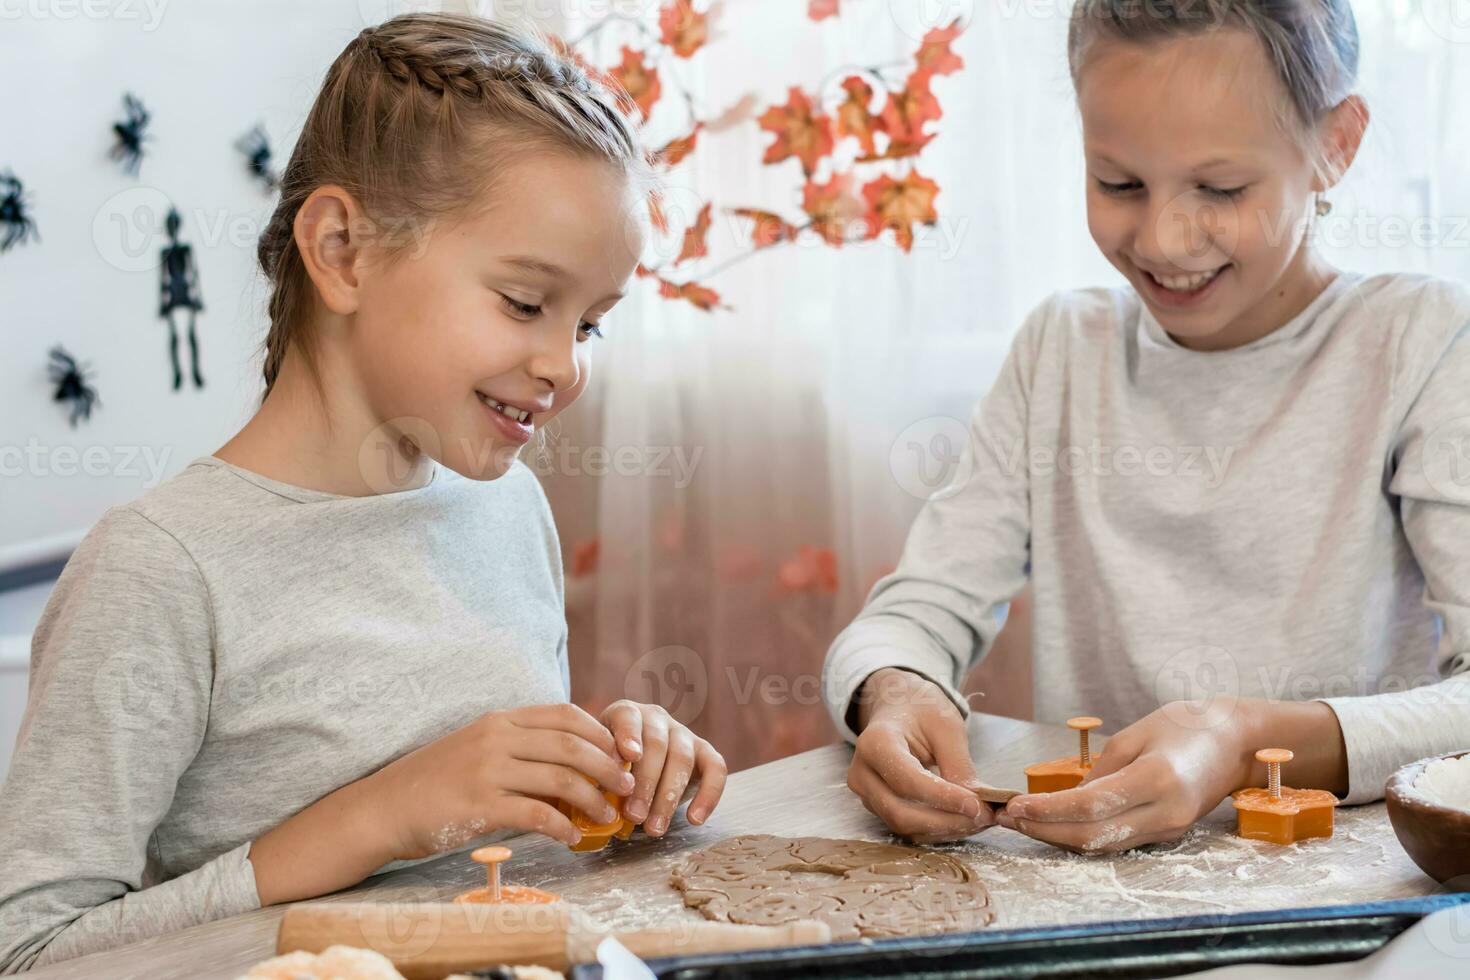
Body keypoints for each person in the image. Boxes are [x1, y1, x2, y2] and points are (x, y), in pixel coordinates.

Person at [0, 14, 725, 971]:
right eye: (524, 302)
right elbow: (32, 951)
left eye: (590, 324)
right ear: (341, 249)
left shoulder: (507, 509)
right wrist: (381, 815)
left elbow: (501, 870)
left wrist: (609, 781)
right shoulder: (161, 570)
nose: (564, 366)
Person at [827, 0, 1470, 853]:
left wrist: (1243, 742)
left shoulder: (1420, 343)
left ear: (1335, 145)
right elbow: (917, 609)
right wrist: (895, 689)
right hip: (1094, 894)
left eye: (1221, 188)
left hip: (1350, 904)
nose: (1165, 238)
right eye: (1119, 184)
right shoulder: (1060, 348)